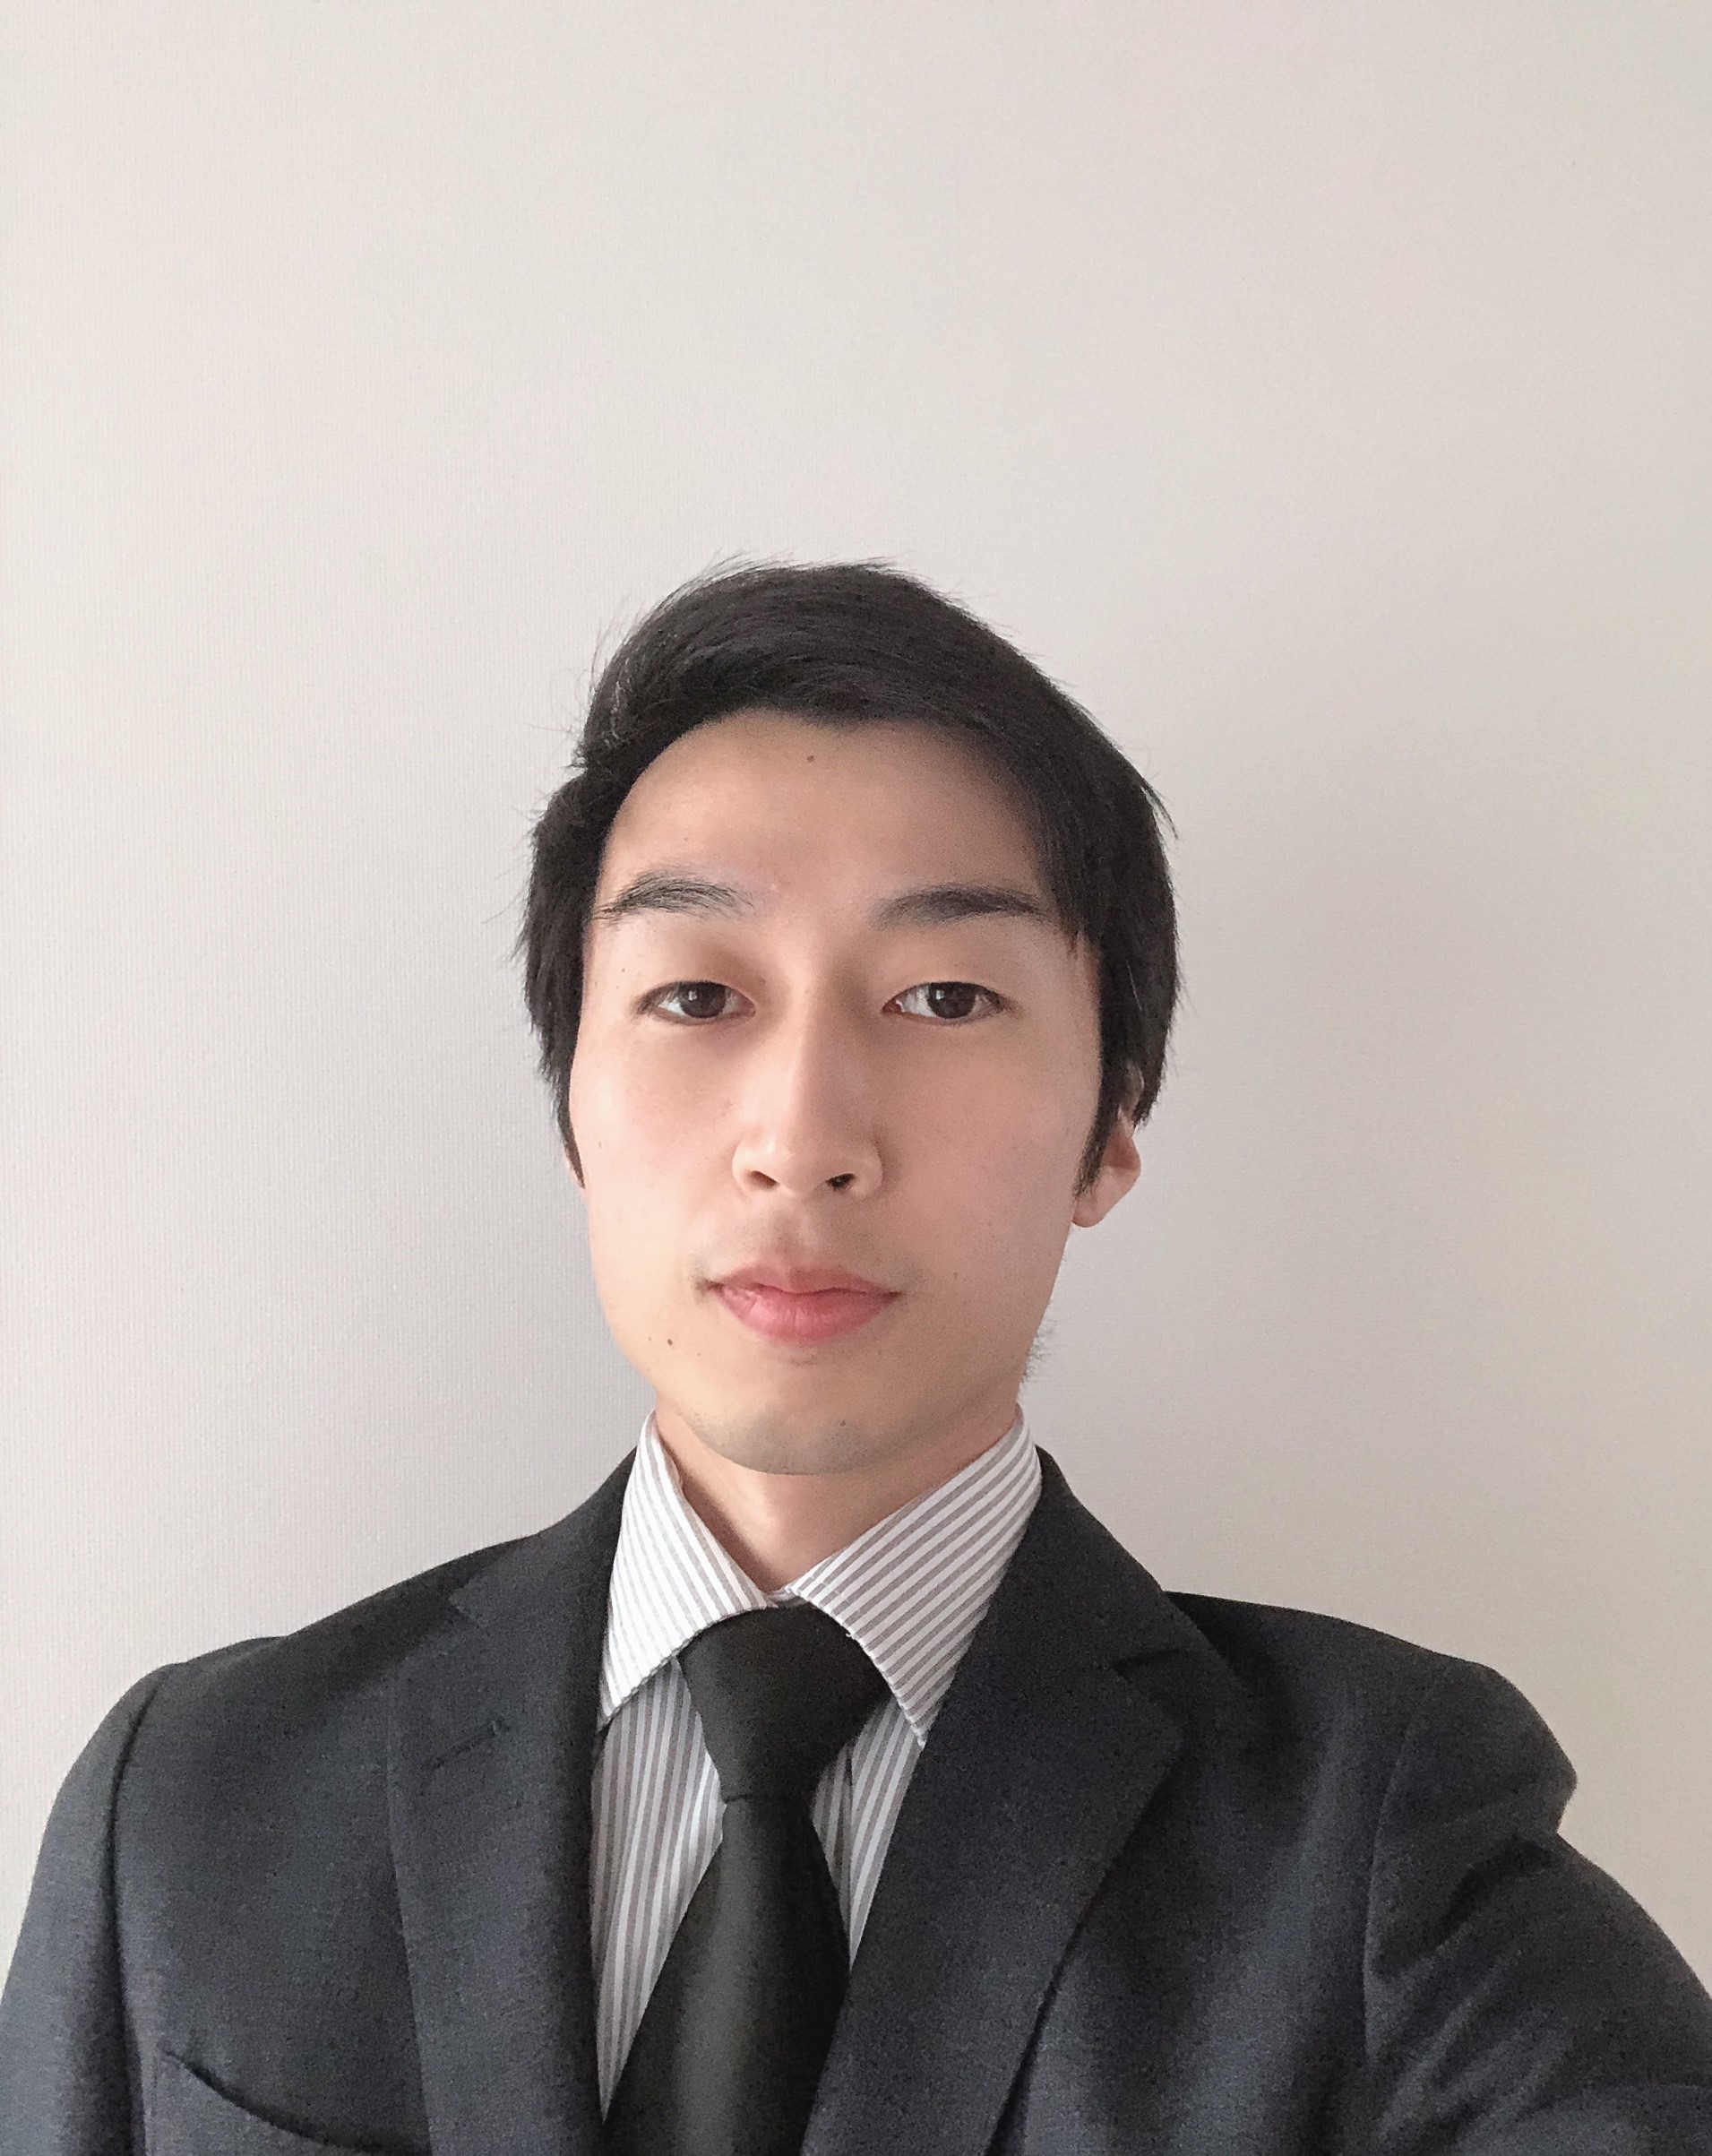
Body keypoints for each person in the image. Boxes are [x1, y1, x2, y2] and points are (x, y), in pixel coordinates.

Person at [3, 561, 1708, 2156]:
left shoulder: (1376, 1838)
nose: (805, 1138)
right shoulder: (196, 1802)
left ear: (1111, 1122)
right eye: (698, 996)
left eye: (946, 997)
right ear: (574, 1101)